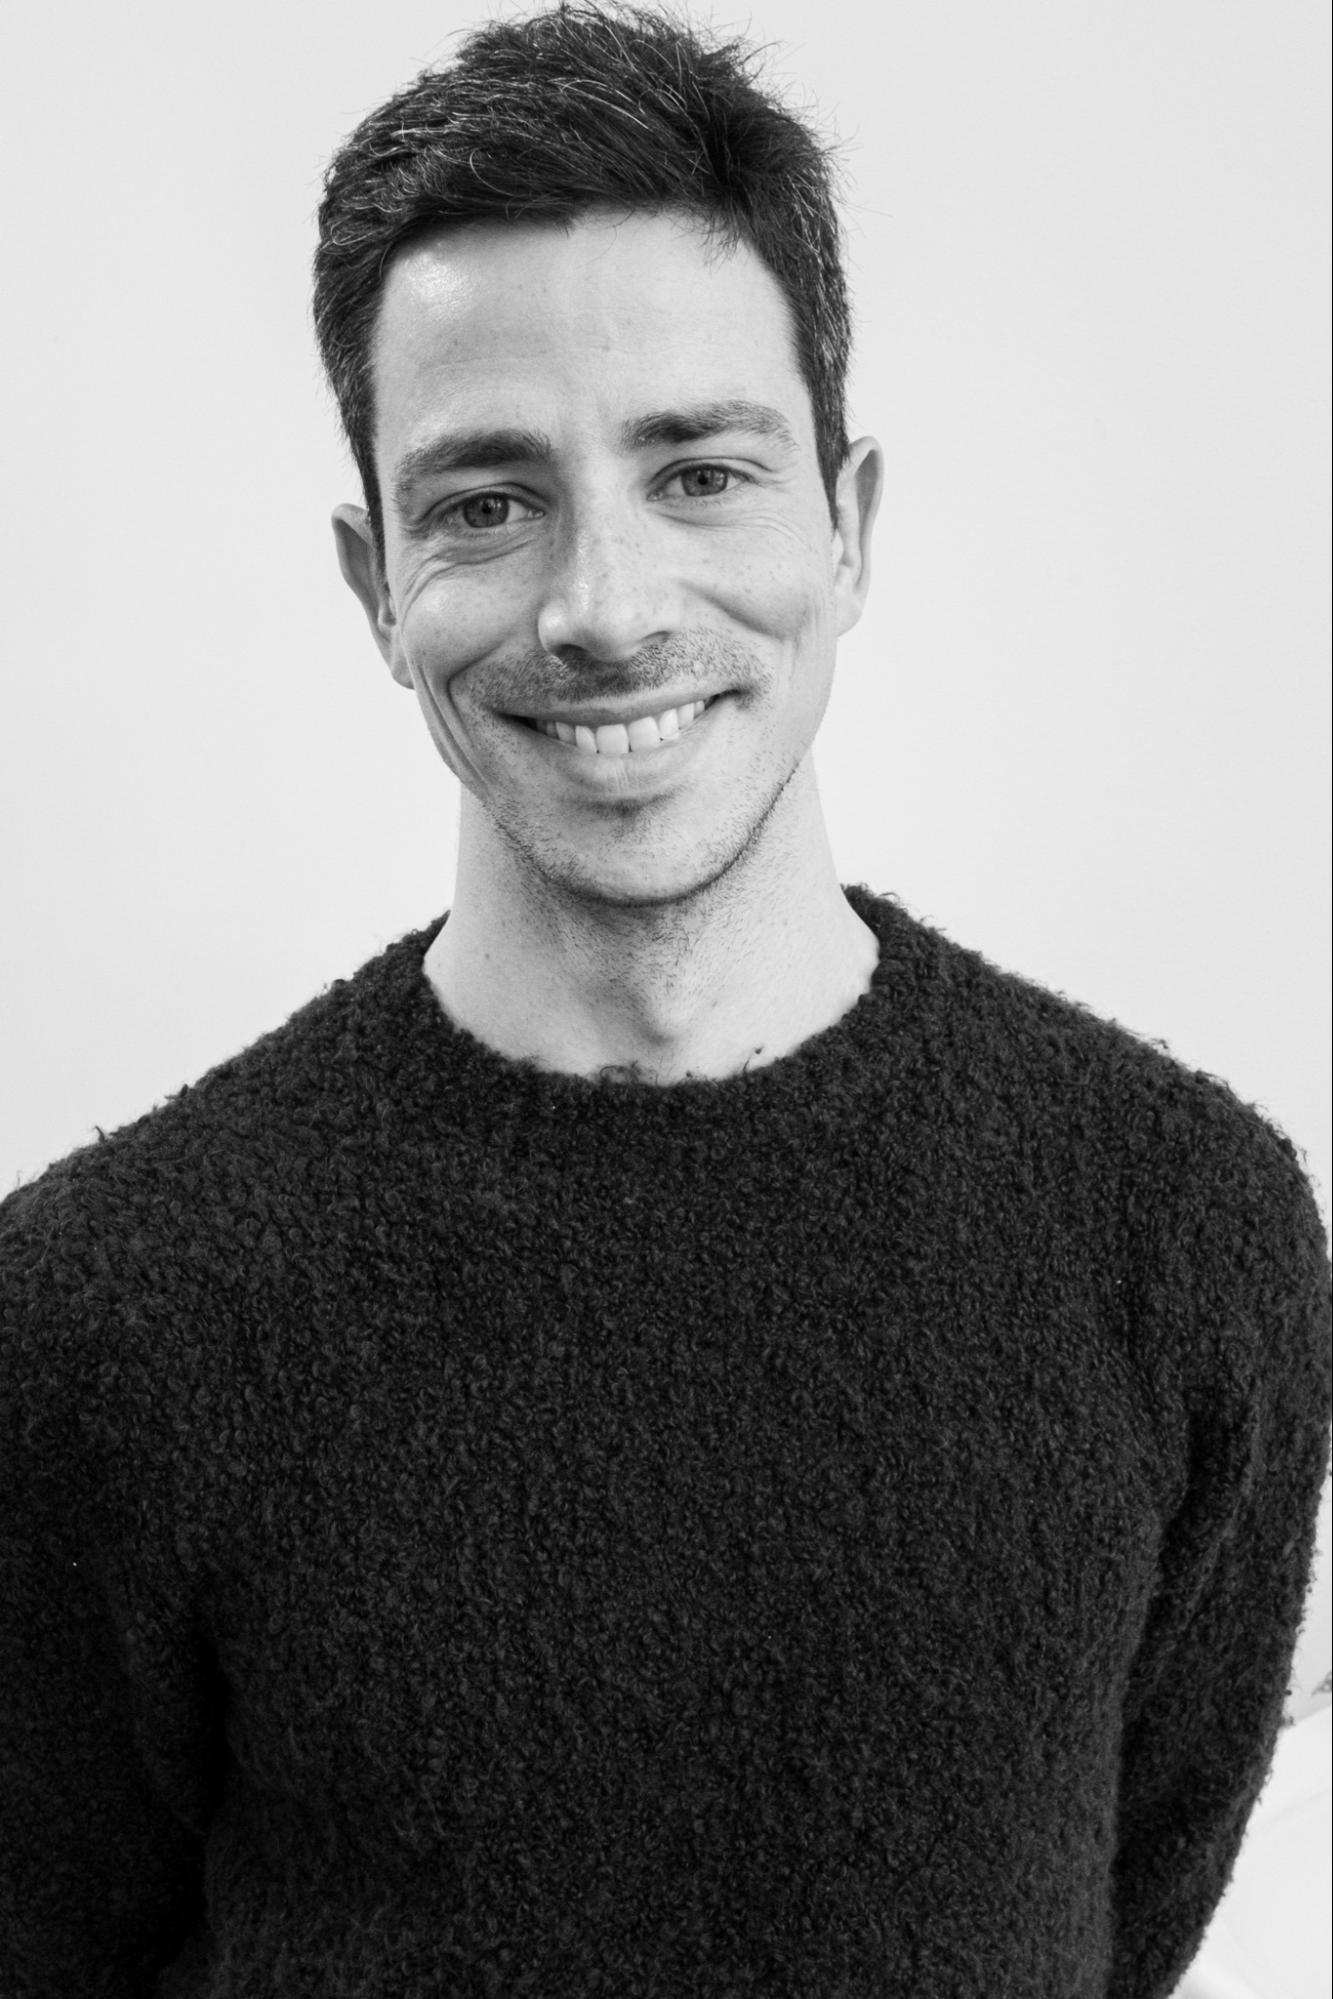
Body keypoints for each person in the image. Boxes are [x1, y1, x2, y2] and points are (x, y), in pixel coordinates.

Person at [1, 3, 1328, 1992]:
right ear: (375, 581)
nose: (603, 605)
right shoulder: (97, 1317)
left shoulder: (1184, 1235)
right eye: (482, 499)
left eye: (699, 471)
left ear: (846, 523)